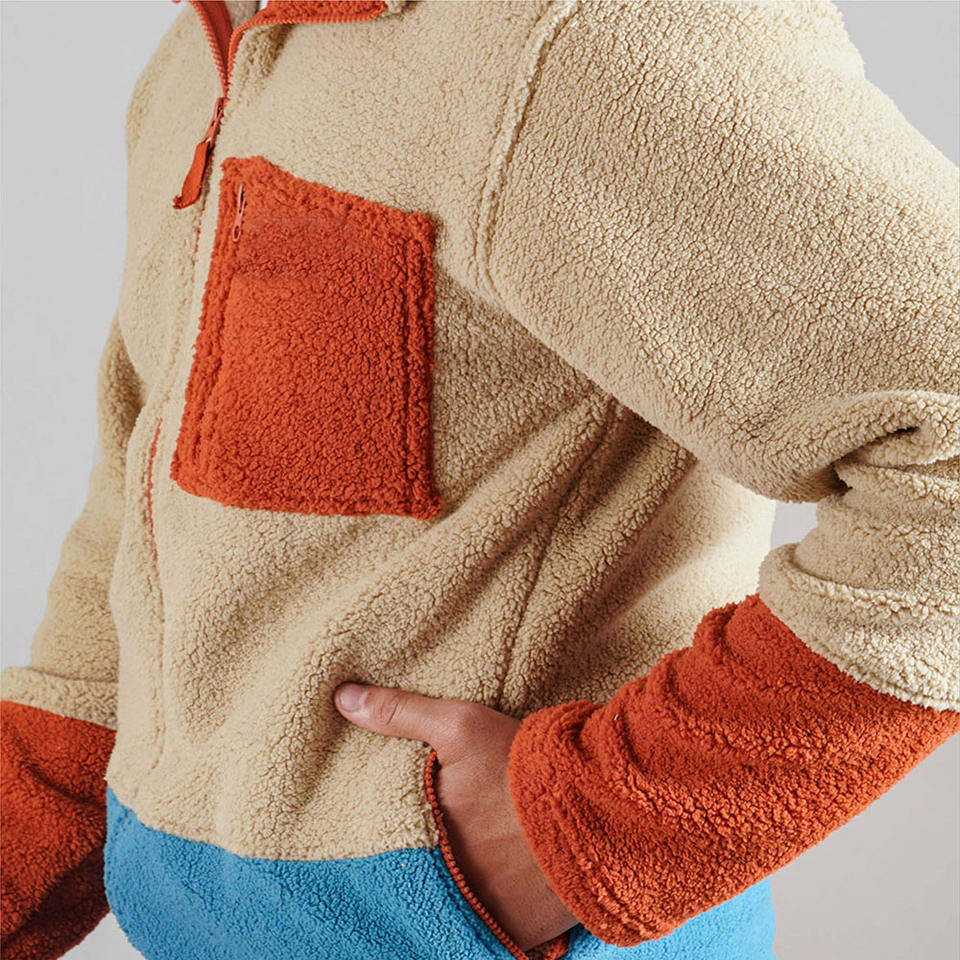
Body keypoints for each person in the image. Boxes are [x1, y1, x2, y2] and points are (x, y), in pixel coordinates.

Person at [2, 1, 957, 958]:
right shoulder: (204, 47)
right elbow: (145, 504)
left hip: (485, 930)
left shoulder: (588, 30)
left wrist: (600, 828)